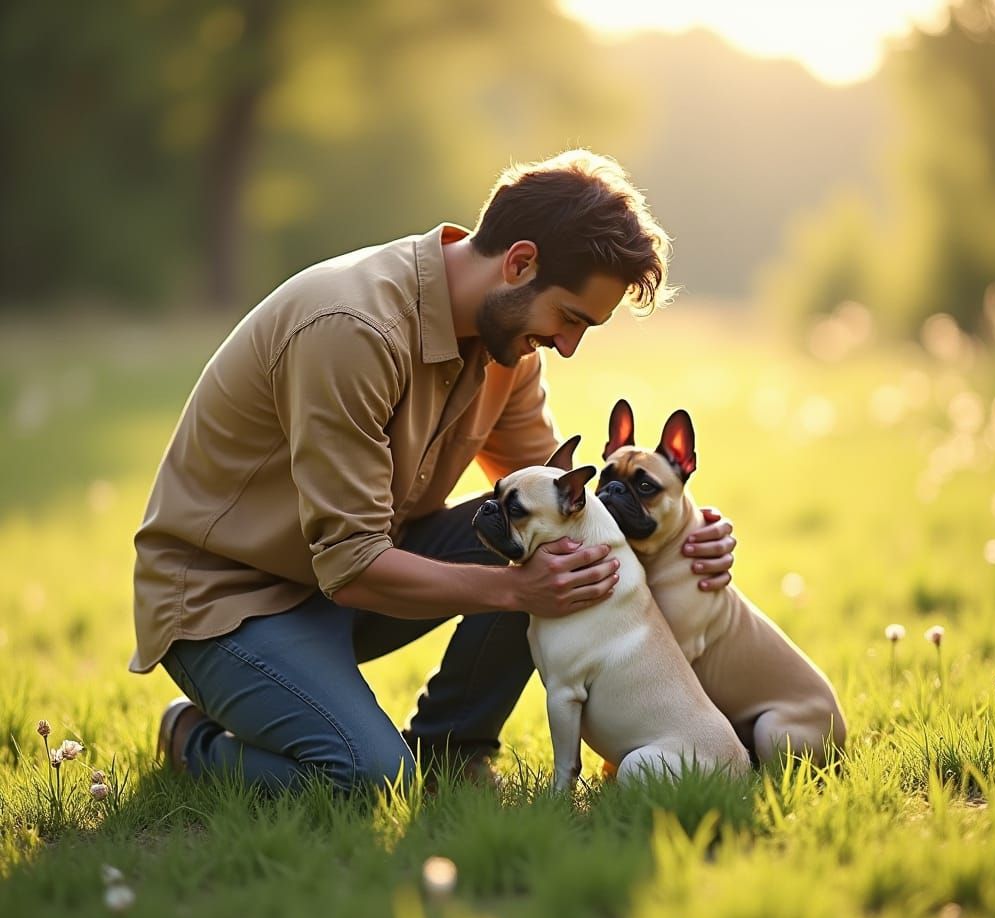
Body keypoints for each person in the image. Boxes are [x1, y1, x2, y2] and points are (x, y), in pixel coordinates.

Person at [131, 149, 737, 793]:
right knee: (368, 778)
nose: (567, 346)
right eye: (569, 318)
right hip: (228, 605)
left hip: (344, 577)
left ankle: (450, 753)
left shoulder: (510, 347)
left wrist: (684, 540)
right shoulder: (353, 329)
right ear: (520, 263)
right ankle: (192, 740)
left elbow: (570, 513)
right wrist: (515, 591)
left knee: (551, 546)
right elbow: (351, 563)